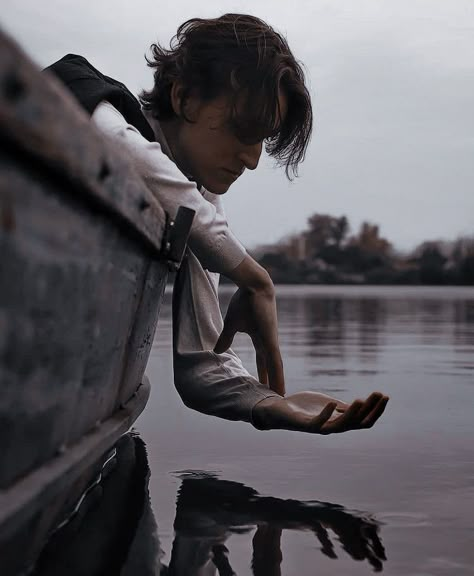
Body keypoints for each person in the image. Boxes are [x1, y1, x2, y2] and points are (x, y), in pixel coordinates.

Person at [47, 13, 388, 434]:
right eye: (244, 130)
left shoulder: (198, 209)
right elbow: (119, 148)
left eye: (264, 139)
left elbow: (201, 364)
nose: (252, 159)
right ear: (185, 97)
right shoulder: (82, 87)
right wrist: (254, 277)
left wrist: (269, 404)